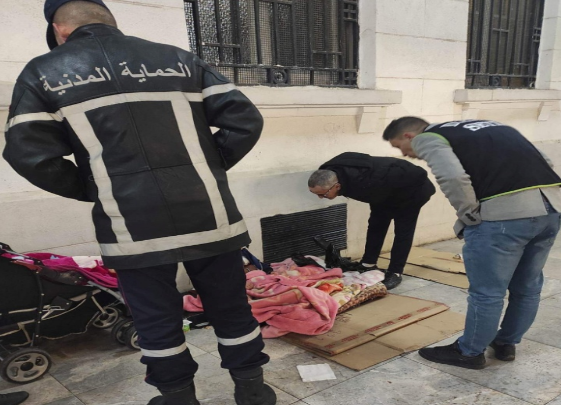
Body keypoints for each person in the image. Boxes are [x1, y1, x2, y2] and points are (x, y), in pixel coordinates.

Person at [3, 1, 276, 404]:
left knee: (155, 320)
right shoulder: (177, 59)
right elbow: (245, 121)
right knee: (231, 307)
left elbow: (29, 155)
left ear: (59, 29)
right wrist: (205, 169)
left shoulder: (43, 72)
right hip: (209, 215)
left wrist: (97, 188)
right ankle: (253, 391)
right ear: (110, 21)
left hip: (130, 226)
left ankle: (178, 398)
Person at [383, 117, 561, 369]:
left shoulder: (427, 137)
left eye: (399, 146)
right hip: (550, 210)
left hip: (504, 218)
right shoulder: (495, 126)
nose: (404, 154)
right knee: (527, 286)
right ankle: (506, 343)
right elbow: (546, 162)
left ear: (409, 136)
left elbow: (452, 177)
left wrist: (469, 215)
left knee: (487, 292)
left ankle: (469, 353)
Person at [308, 152, 435, 289]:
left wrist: (395, 204)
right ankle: (368, 263)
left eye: (323, 194)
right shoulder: (328, 171)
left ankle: (395, 271)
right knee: (376, 225)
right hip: (383, 191)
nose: (320, 197)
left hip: (412, 191)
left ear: (337, 186)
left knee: (403, 231)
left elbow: (419, 174)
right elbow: (351, 157)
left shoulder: (366, 181)